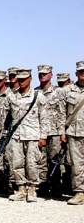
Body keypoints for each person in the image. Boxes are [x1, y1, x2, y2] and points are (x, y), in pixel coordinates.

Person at [2, 68, 48, 202]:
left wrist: (43, 137)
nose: (21, 82)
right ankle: (21, 189)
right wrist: (4, 133)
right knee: (16, 163)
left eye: (24, 79)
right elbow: (5, 116)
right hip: (16, 135)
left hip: (33, 135)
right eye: (19, 79)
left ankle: (32, 189)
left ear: (30, 79)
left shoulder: (38, 96)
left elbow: (44, 118)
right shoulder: (11, 95)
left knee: (32, 163)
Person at [34, 65, 67, 197]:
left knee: (55, 160)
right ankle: (42, 185)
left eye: (45, 74)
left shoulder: (59, 92)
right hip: (40, 131)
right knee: (41, 160)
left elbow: (62, 112)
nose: (42, 76)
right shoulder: (35, 92)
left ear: (51, 75)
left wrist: (62, 132)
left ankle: (55, 186)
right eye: (40, 74)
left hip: (54, 131)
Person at [63, 61, 84, 205]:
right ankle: (80, 192)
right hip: (74, 132)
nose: (83, 73)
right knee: (76, 164)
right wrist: (62, 132)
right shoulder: (68, 90)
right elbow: (61, 113)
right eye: (81, 71)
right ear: (76, 73)